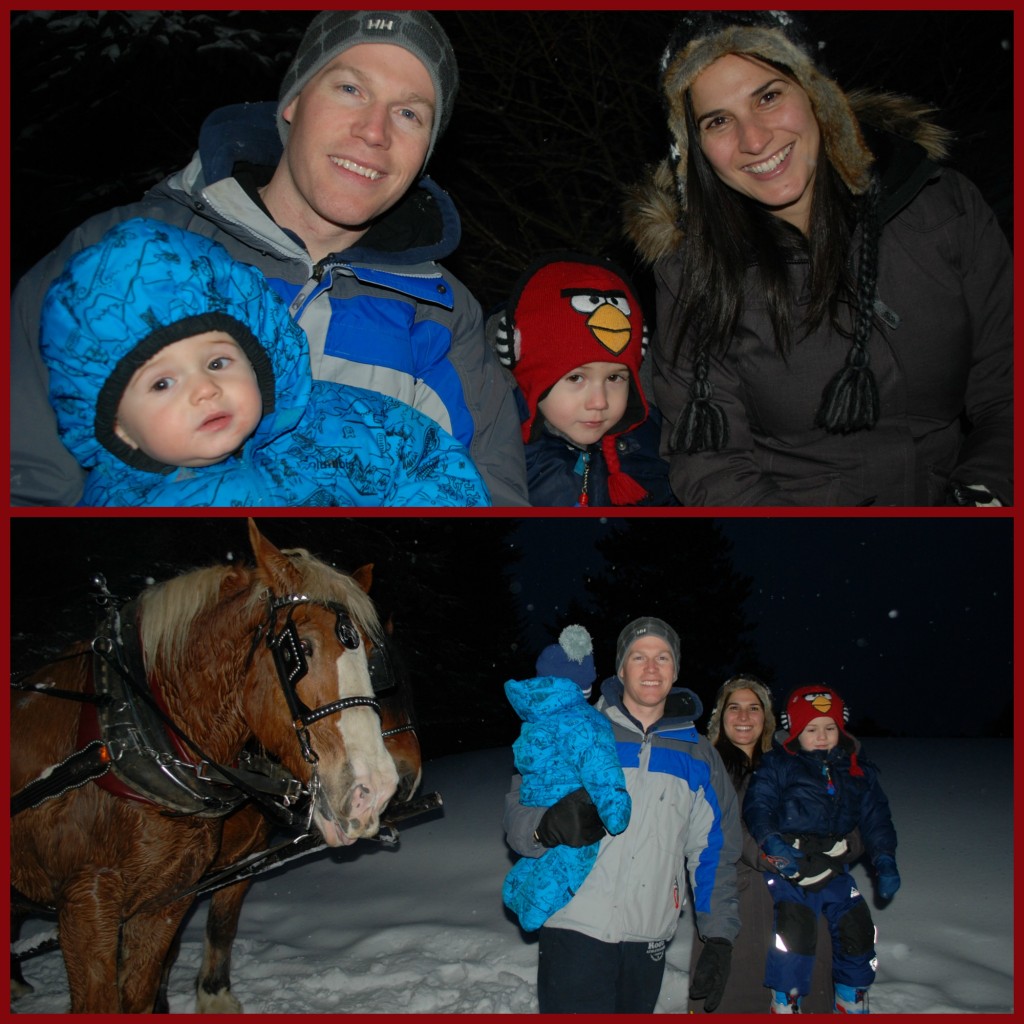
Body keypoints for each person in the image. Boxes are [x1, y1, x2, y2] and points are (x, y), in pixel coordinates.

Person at [11, 10, 528, 506]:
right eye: (350, 89)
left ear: (427, 151)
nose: (375, 131)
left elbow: (488, 499)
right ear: (293, 101)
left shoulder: (445, 318)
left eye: (410, 113)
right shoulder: (121, 260)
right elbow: (29, 475)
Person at [625, 10, 1012, 507]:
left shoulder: (943, 209)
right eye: (718, 121)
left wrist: (984, 492)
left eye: (768, 96)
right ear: (695, 148)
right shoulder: (692, 274)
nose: (755, 140)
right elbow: (710, 462)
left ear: (817, 94)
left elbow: (1007, 392)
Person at [38, 218, 490, 507]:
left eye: (217, 363)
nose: (205, 390)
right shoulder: (117, 508)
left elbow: (427, 457)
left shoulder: (338, 424)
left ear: (256, 360)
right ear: (117, 425)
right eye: (161, 384)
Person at [503, 616, 741, 1014]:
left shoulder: (698, 756)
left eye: (662, 657)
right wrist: (543, 828)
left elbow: (715, 852)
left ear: (676, 669)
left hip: (647, 937)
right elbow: (517, 809)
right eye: (638, 656)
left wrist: (718, 937)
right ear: (620, 669)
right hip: (573, 925)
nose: (651, 668)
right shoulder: (578, 728)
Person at [689, 675, 862, 1013]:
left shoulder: (798, 765)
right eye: (733, 707)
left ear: (767, 718)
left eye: (754, 708)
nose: (743, 717)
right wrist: (779, 858)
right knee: (736, 999)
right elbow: (719, 831)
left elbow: (854, 822)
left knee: (805, 998)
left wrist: (838, 848)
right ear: (720, 717)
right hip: (735, 905)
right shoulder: (705, 767)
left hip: (805, 905)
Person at [744, 685, 901, 1013]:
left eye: (829, 728)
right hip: (793, 863)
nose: (821, 736)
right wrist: (772, 841)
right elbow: (759, 804)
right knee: (794, 931)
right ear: (795, 732)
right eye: (811, 729)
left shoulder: (856, 769)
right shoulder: (780, 764)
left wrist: (884, 859)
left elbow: (876, 817)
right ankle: (786, 999)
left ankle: (851, 996)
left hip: (835, 864)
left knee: (856, 924)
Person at [489, 253, 676, 506]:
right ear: (530, 377)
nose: (599, 402)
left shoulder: (654, 448)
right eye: (576, 377)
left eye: (614, 377)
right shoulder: (501, 462)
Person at [502, 625, 631, 933]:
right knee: (570, 862)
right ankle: (532, 908)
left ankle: (516, 893)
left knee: (546, 866)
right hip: (571, 824)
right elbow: (602, 771)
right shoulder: (589, 722)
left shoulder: (536, 721)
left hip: (543, 798)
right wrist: (617, 810)